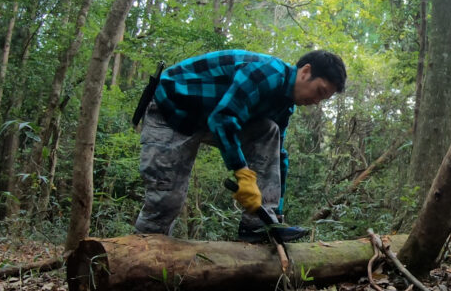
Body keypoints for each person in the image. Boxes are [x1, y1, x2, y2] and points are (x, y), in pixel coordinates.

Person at [133, 49, 346, 242]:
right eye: (320, 91)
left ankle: (257, 225)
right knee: (166, 202)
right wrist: (242, 173)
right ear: (305, 72)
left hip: (210, 117)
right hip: (171, 111)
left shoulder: (285, 105)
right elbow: (223, 119)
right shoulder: (266, 74)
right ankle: (142, 256)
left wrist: (276, 214)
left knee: (269, 130)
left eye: (323, 99)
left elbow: (278, 156)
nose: (317, 101)